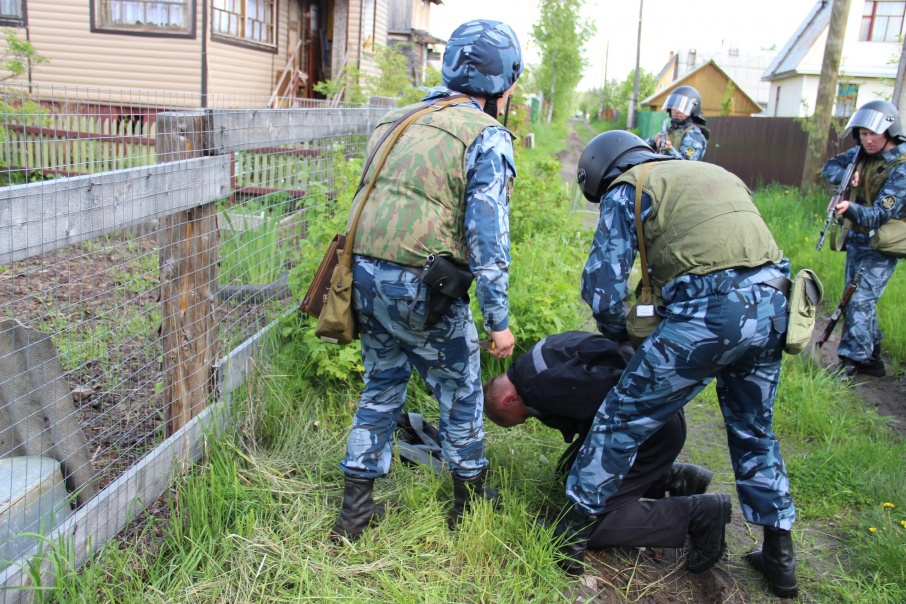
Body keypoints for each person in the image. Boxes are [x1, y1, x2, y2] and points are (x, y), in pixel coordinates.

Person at [556, 131, 798, 599]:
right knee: (754, 429)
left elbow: (602, 290)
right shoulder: (714, 172)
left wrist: (621, 343)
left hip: (711, 313)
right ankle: (780, 557)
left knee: (620, 418)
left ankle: (570, 535)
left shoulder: (629, 186)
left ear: (604, 172)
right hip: (774, 305)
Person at [331, 19, 522, 540]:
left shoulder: (396, 119)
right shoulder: (486, 135)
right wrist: (498, 322)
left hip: (362, 280)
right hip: (424, 288)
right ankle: (469, 506)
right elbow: (489, 240)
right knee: (460, 392)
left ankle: (354, 514)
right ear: (503, 82)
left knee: (381, 385)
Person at [483, 330, 729, 555]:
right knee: (567, 474)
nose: (526, 421)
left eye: (520, 419)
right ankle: (676, 478)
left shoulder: (541, 388)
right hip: (657, 408)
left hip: (650, 427)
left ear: (508, 399)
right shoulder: (537, 358)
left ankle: (700, 514)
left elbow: (616, 423)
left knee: (587, 527)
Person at [821, 100, 906, 379]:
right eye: (863, 134)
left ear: (890, 132)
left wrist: (849, 208)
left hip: (882, 244)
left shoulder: (901, 166)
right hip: (858, 239)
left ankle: (851, 362)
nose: (868, 140)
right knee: (858, 297)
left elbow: (880, 214)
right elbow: (829, 167)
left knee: (858, 300)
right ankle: (871, 357)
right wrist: (848, 175)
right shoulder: (861, 154)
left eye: (874, 134)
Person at [646, 86, 710, 161]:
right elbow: (640, 147)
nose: (677, 111)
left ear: (692, 109)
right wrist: (655, 140)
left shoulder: (693, 135)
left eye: (683, 107)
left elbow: (687, 165)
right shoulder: (670, 131)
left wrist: (669, 149)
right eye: (675, 106)